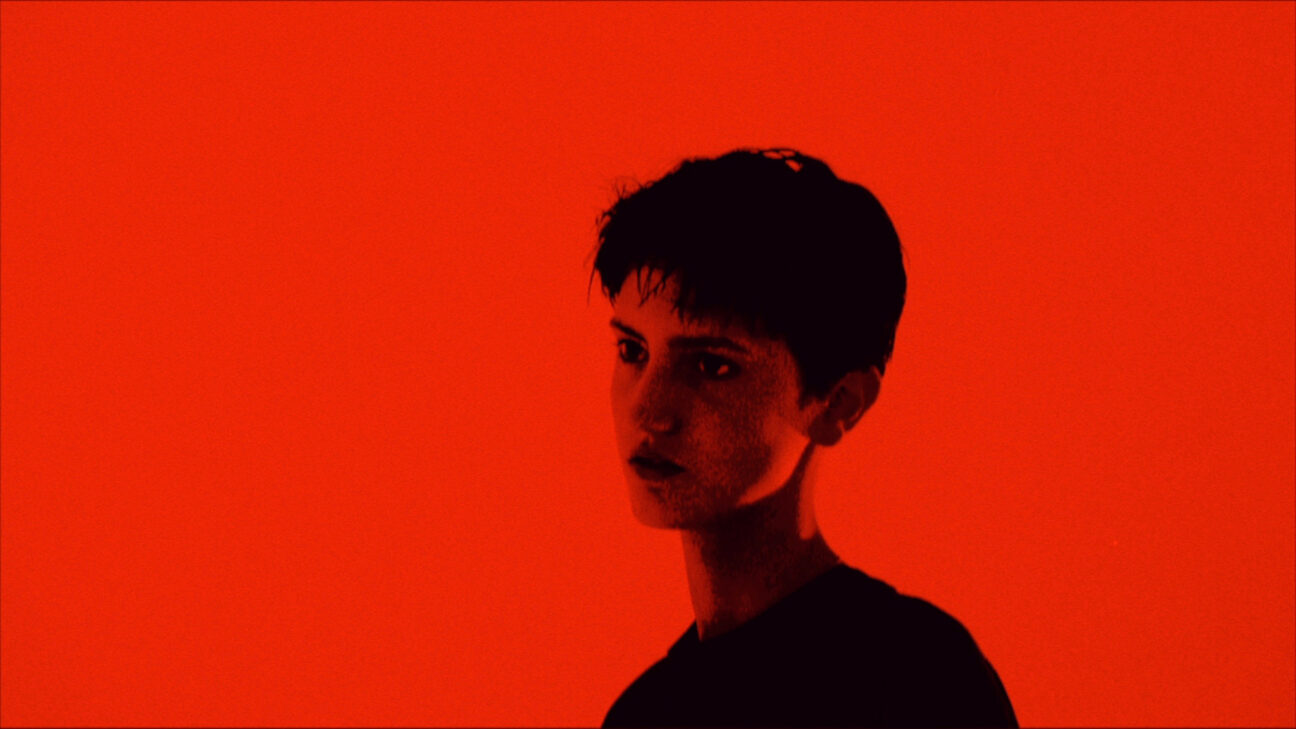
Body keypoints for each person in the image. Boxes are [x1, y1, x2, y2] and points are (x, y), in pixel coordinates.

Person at [586, 148, 1018, 728]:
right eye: (632, 350)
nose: (648, 408)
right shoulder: (643, 714)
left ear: (839, 403)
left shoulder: (916, 679)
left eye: (712, 365)